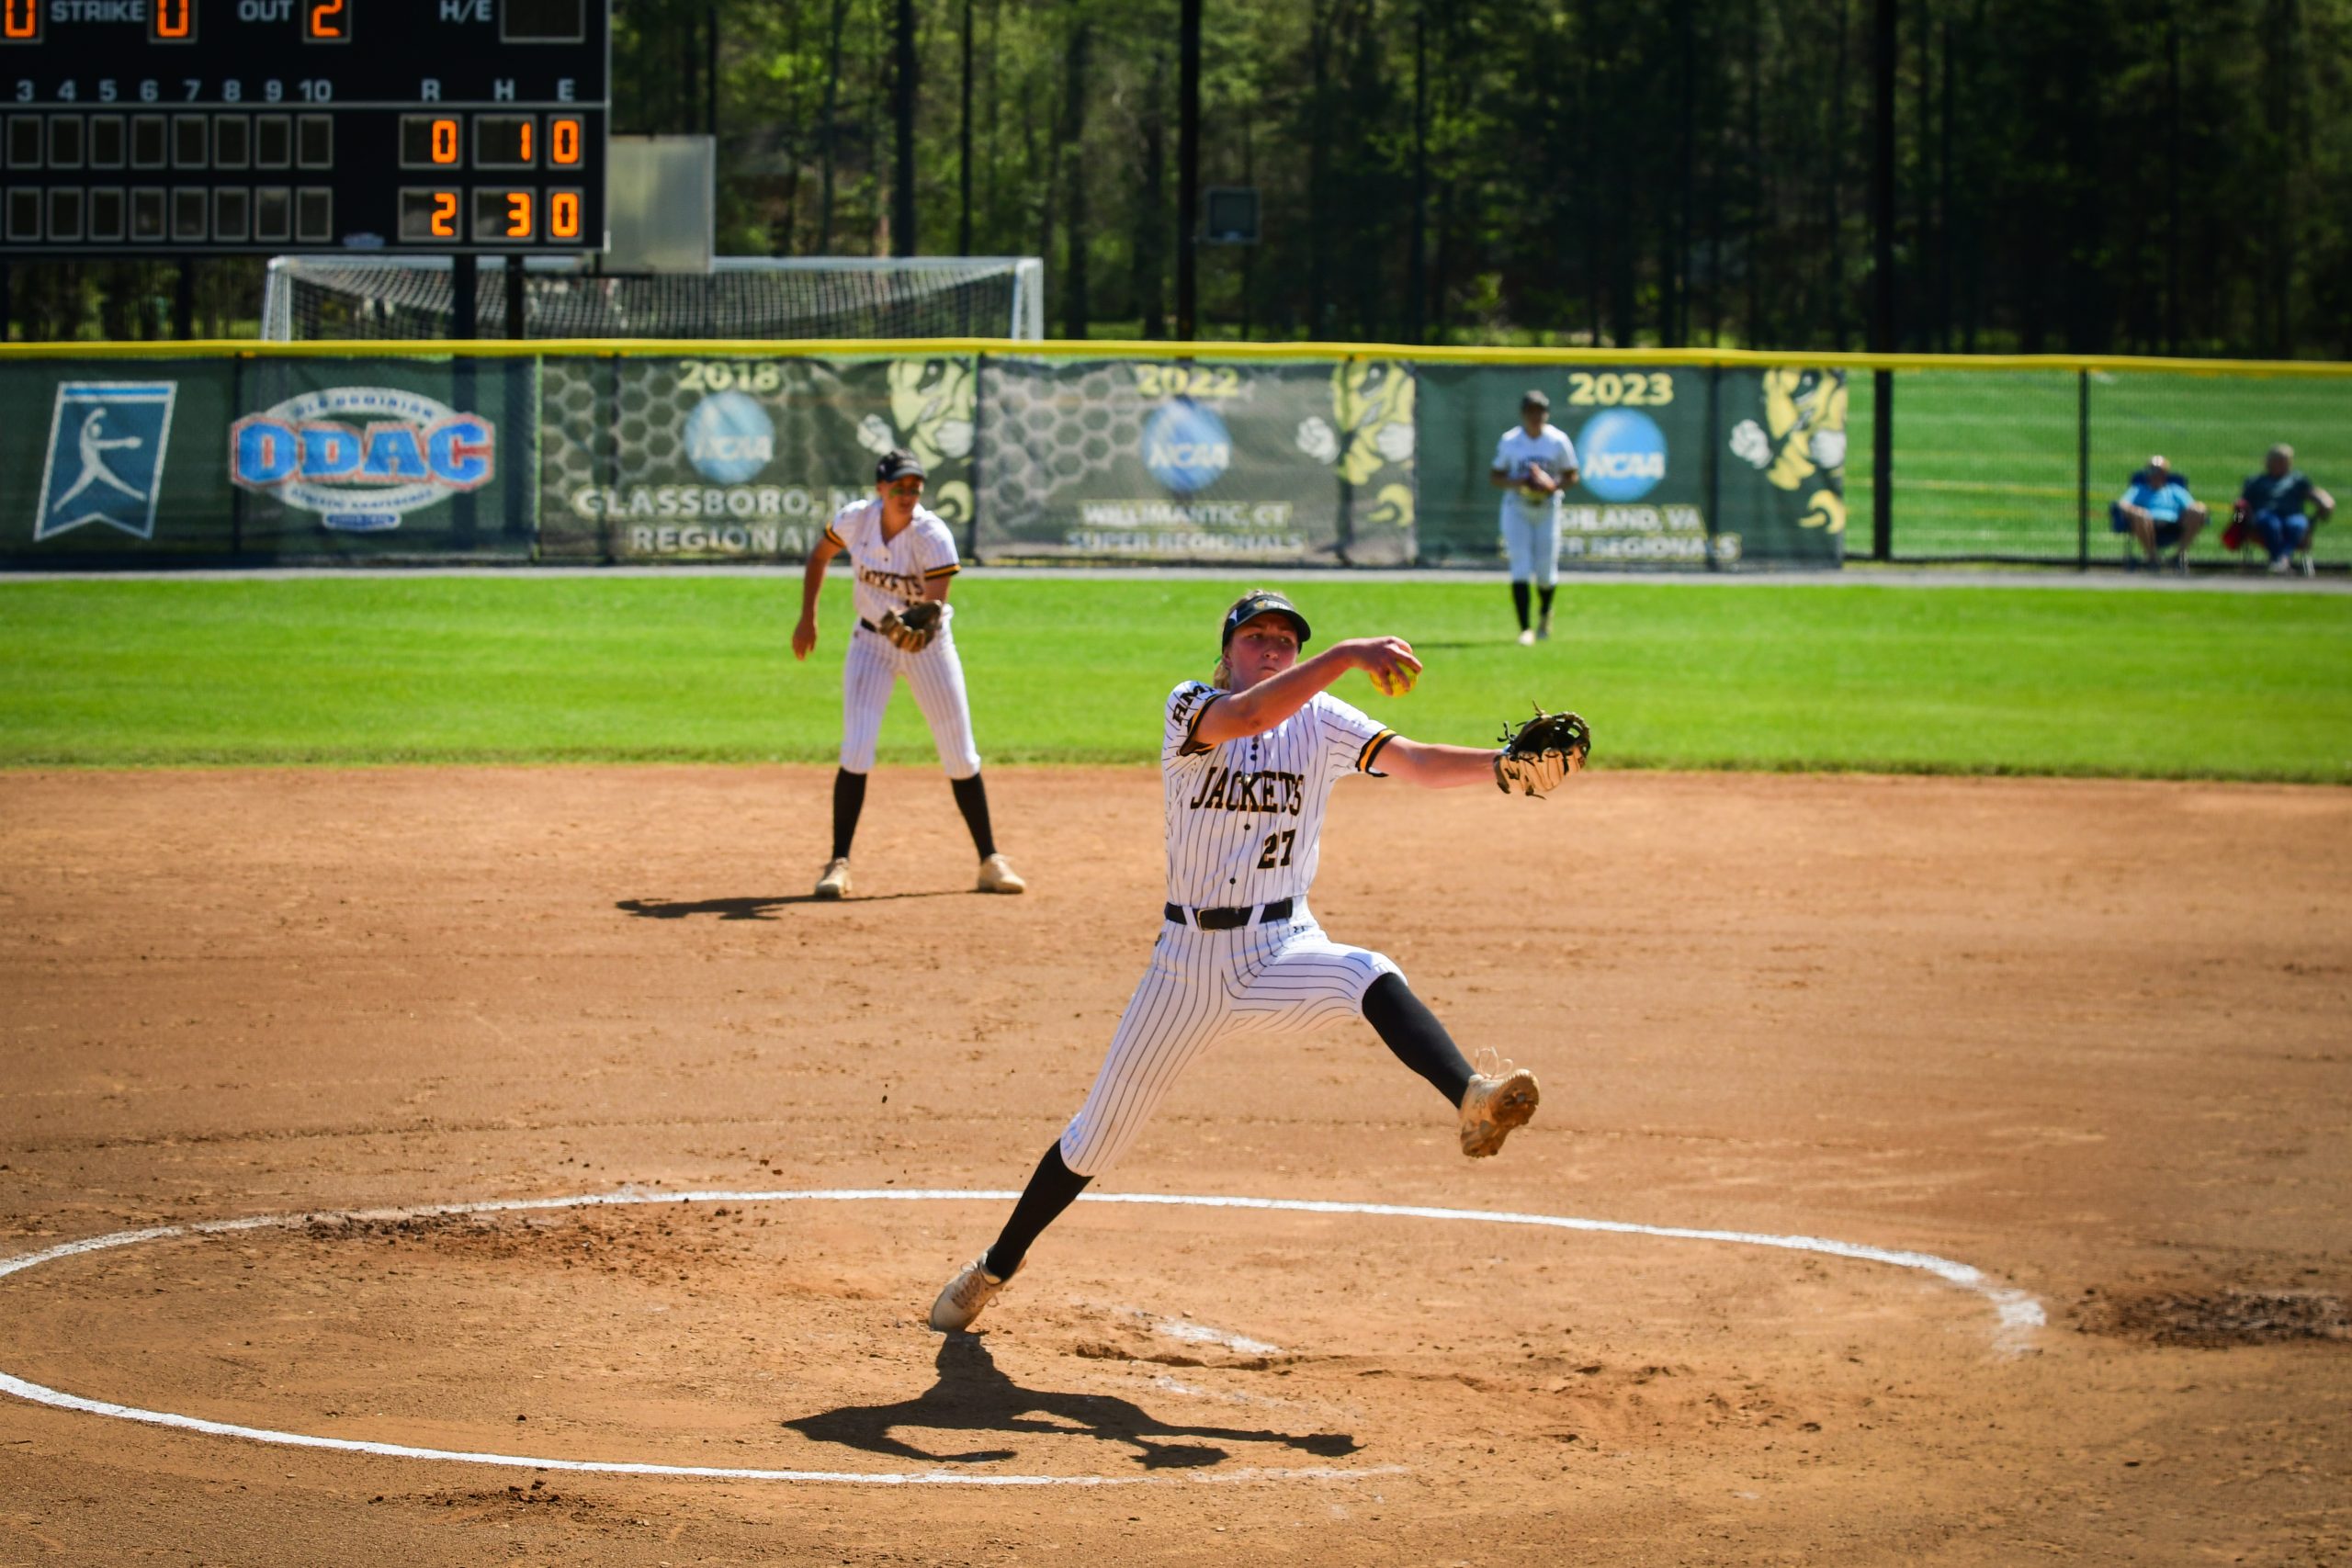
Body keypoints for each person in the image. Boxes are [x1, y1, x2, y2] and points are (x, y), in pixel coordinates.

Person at [926, 589, 1567, 1334]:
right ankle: (995, 1266)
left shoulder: (1324, 720)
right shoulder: (1190, 705)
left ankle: (1470, 1097)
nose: (1272, 648)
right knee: (1095, 1136)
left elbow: (1416, 762)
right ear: (1226, 650)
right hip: (1186, 967)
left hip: (1281, 949)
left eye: (1286, 641)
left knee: (1366, 969)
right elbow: (1252, 717)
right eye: (1257, 636)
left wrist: (1504, 767)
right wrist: (1350, 653)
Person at [792, 449, 1026, 898]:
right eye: (899, 485)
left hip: (928, 649)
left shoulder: (931, 534)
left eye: (915, 486)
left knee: (959, 753)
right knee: (856, 748)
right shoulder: (856, 520)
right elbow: (819, 556)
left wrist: (918, 621)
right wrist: (808, 617)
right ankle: (838, 863)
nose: (908, 493)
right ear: (880, 488)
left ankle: (990, 861)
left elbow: (934, 606)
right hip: (870, 644)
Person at [1487, 389, 1580, 644]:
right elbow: (1495, 476)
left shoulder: (1557, 440)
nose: (1536, 417)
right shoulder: (1511, 441)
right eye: (1531, 412)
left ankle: (1544, 613)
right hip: (1517, 505)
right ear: (1523, 414)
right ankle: (1525, 629)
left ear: (1546, 414)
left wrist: (1551, 484)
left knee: (1544, 570)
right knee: (1519, 565)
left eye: (1540, 412)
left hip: (1548, 507)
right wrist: (1521, 481)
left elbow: (1572, 474)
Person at [2233, 444, 2335, 577]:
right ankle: (2280, 560)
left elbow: (2313, 493)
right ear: (2268, 462)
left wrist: (2325, 501)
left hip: (2292, 515)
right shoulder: (2255, 481)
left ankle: (2280, 559)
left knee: (2297, 524)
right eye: (2277, 461)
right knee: (2271, 524)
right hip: (2264, 516)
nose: (2281, 464)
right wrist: (2237, 520)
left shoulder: (2297, 480)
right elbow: (2241, 503)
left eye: (2284, 461)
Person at [2108, 454, 2206, 572]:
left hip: (2174, 525)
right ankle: (2152, 558)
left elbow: (2191, 506)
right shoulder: (2138, 489)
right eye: (2150, 470)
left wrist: (2199, 508)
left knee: (2199, 510)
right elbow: (2123, 504)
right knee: (2141, 516)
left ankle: (2178, 556)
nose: (2153, 474)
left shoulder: (2175, 490)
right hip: (2146, 524)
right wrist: (2137, 511)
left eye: (2157, 471)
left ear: (2165, 473)